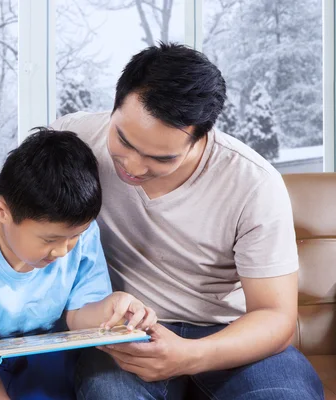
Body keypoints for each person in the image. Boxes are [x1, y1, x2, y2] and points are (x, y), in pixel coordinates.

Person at [51, 43, 324, 399]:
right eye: (123, 139)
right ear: (115, 105)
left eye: (159, 157)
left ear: (201, 137)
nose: (132, 167)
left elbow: (275, 317)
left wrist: (189, 356)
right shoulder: (72, 139)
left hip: (229, 332)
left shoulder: (253, 183)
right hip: (126, 330)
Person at [0, 128, 157, 400]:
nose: (63, 251)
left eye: (74, 237)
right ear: (2, 213)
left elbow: (79, 316)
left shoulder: (82, 231)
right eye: (50, 239)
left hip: (57, 358)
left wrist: (113, 308)